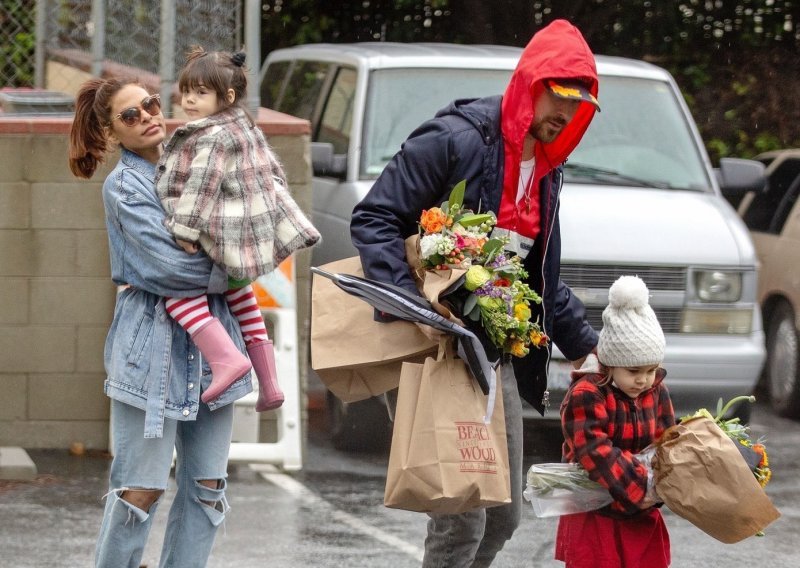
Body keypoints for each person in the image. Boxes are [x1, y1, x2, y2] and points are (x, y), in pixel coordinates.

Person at [350, 19, 601, 567]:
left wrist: (587, 346)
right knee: (463, 514)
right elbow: (375, 217)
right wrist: (414, 310)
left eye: (578, 103)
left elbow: (533, 275)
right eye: (557, 96)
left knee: (504, 514)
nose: (566, 112)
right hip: (437, 349)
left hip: (493, 354)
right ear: (530, 82)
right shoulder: (457, 138)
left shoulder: (549, 168)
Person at [68, 77, 250, 567]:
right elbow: (172, 269)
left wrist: (239, 252)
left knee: (208, 490)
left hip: (216, 352)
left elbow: (252, 220)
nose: (147, 115)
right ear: (111, 132)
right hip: (150, 352)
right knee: (139, 492)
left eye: (149, 104)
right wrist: (235, 267)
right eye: (130, 114)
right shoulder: (123, 188)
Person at [154, 46, 320, 409]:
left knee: (177, 294)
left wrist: (184, 231)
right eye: (186, 92)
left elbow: (201, 185)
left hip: (218, 238)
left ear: (226, 97)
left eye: (201, 93)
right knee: (242, 295)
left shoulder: (212, 136)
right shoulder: (245, 127)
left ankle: (226, 359)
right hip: (243, 240)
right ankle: (270, 383)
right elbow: (273, 172)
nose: (190, 100)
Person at [556, 275, 675, 567]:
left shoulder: (655, 389)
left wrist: (669, 479)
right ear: (610, 362)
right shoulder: (588, 394)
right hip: (597, 511)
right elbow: (593, 451)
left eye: (651, 369)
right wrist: (641, 487)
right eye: (634, 370)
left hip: (640, 512)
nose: (643, 379)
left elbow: (668, 439)